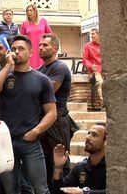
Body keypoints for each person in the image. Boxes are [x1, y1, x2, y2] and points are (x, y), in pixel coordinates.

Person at [0, 34, 57, 194]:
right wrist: (7, 67)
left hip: (30, 142)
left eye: (21, 49)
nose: (16, 52)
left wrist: (36, 131)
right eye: (14, 49)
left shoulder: (42, 80)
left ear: (31, 53)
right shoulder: (4, 76)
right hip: (5, 142)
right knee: (11, 190)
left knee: (40, 188)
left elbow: (52, 113)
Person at [38, 33, 79, 193]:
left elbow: (48, 91)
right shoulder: (41, 69)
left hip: (58, 122)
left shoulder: (59, 67)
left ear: (55, 48)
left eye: (45, 45)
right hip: (43, 121)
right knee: (46, 164)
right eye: (40, 45)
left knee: (60, 164)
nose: (41, 47)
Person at [52, 123, 106, 194]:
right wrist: (58, 168)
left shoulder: (111, 168)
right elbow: (59, 191)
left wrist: (84, 192)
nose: (87, 137)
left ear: (106, 142)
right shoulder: (81, 167)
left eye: (94, 135)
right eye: (88, 133)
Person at [21, 4, 52, 69]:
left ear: (35, 12)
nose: (29, 12)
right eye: (27, 11)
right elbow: (22, 38)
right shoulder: (25, 23)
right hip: (30, 49)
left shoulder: (43, 21)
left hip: (41, 48)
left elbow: (50, 35)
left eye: (31, 10)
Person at [82, 28, 103, 109]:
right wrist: (91, 66)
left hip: (105, 70)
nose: (91, 36)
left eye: (93, 34)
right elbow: (84, 59)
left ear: (99, 35)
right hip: (94, 72)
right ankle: (104, 103)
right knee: (101, 83)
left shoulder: (105, 45)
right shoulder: (88, 46)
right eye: (91, 34)